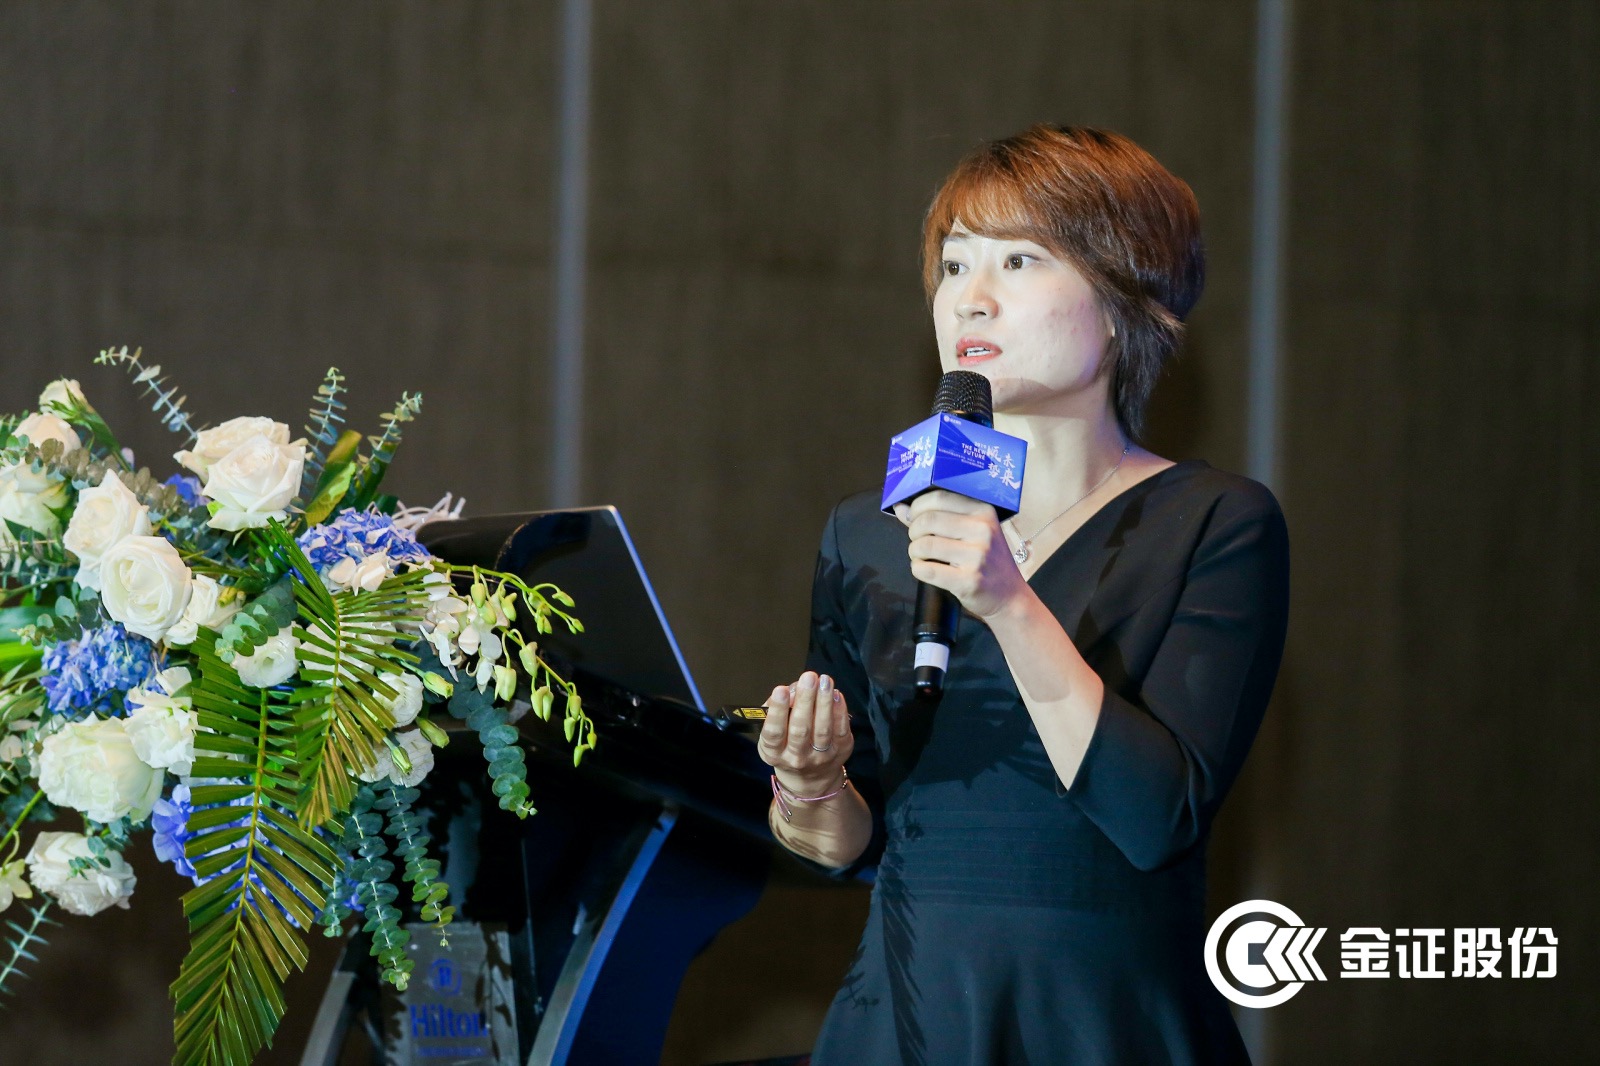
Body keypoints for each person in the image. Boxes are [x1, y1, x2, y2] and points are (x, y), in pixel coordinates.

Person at [756, 125, 1290, 1065]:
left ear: (1125, 302)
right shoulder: (871, 532)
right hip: (906, 1020)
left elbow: (1156, 819)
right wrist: (810, 786)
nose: (973, 295)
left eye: (1019, 259)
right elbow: (845, 845)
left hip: (1104, 1020)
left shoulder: (1215, 523)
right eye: (954, 264)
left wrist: (1009, 603)